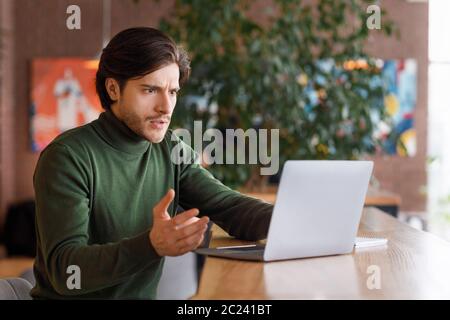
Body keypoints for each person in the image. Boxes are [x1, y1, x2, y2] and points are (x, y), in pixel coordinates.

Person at [32, 27, 273, 299]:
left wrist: (290, 218)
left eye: (172, 92)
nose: (166, 107)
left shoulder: (171, 149)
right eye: (150, 90)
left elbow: (229, 207)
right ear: (113, 89)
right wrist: (151, 245)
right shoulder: (67, 157)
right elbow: (67, 272)